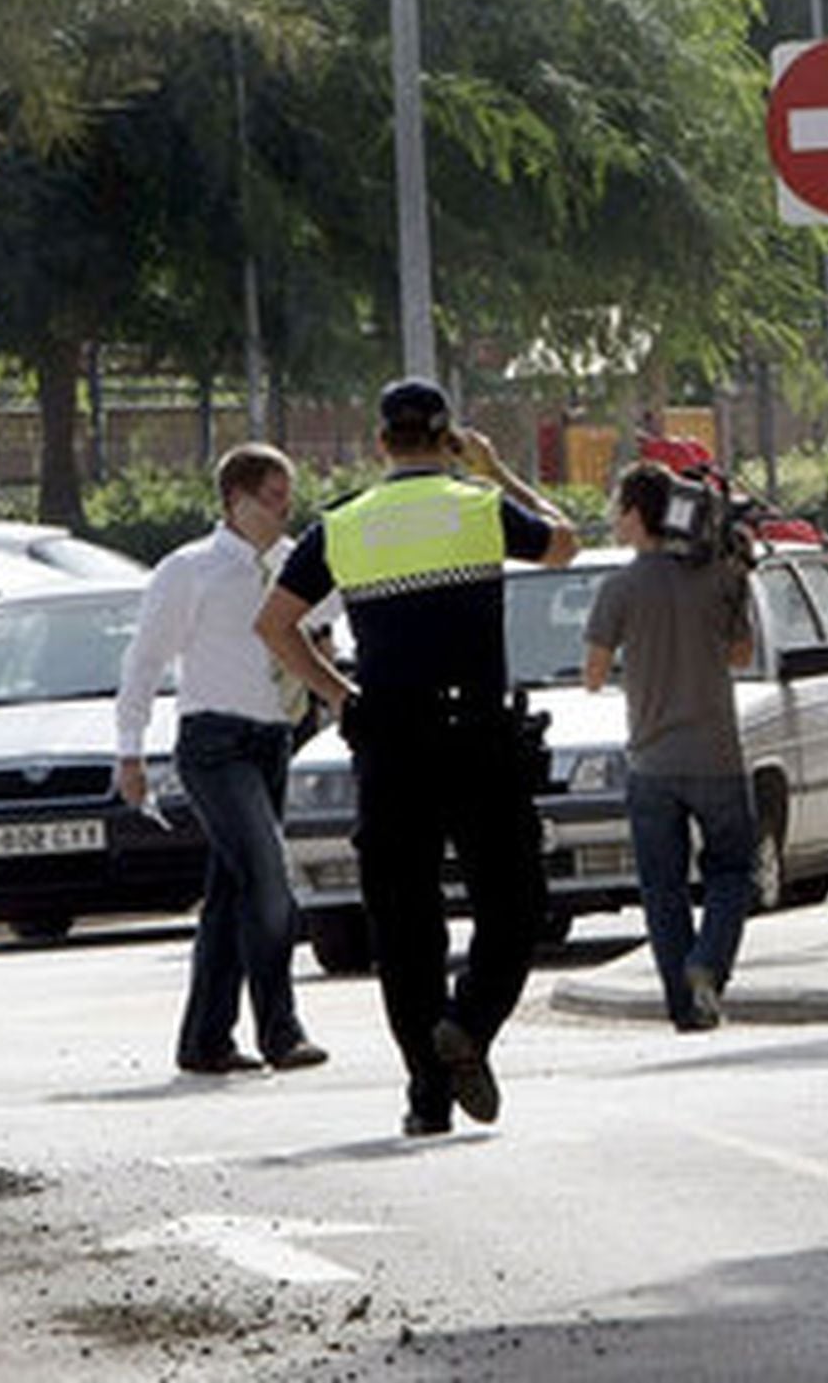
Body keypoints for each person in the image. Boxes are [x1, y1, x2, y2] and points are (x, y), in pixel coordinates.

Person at [256, 379, 577, 1137]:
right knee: (514, 901)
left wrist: (340, 696)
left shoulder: (343, 525)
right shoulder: (477, 506)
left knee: (404, 924)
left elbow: (274, 624)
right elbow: (564, 542)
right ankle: (468, 1023)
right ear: (448, 438)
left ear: (379, 444)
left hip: (391, 741)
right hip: (477, 735)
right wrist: (496, 472)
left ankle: (428, 1094)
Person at [116, 441, 328, 1076]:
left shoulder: (295, 565)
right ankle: (280, 1031)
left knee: (234, 891)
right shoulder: (190, 570)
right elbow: (145, 660)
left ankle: (205, 1040)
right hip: (213, 744)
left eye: (288, 500)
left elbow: (332, 622)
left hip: (272, 741)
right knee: (269, 880)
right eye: (270, 499)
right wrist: (129, 753)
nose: (282, 512)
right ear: (235, 500)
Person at [582, 461, 755, 1033]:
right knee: (732, 872)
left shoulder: (620, 587)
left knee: (663, 889)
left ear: (637, 515)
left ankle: (683, 1008)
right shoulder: (720, 576)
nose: (613, 518)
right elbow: (741, 656)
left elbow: (592, 675)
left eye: (617, 508)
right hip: (718, 756)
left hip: (652, 762)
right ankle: (708, 965)